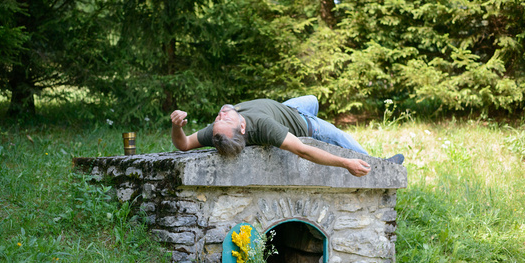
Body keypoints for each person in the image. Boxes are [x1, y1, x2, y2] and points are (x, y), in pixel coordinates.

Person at [170, 95, 404, 178]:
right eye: (224, 119)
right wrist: (346, 163)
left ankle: (291, 111)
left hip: (286, 108)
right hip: (304, 123)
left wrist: (176, 126)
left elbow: (184, 144)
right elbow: (303, 150)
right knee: (340, 136)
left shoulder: (219, 133)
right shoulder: (264, 128)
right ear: (242, 128)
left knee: (312, 99)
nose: (219, 116)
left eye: (219, 119)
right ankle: (379, 165)